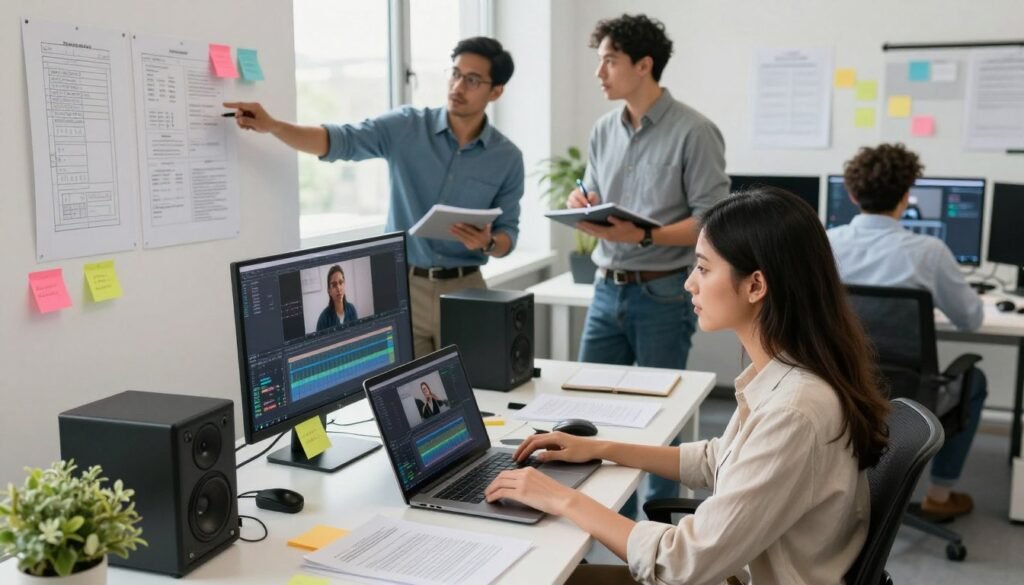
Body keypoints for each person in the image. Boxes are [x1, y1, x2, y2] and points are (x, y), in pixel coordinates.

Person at [485, 188, 890, 585]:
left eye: (703, 268)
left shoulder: (795, 410)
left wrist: (561, 498)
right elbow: (720, 460)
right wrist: (601, 448)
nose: (689, 284)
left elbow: (682, 563)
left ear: (755, 286)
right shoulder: (790, 376)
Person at [224, 37, 524, 357]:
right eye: (455, 73)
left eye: (473, 79)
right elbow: (337, 141)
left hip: (466, 291)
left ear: (496, 91)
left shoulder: (507, 157)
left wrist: (488, 243)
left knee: (477, 390)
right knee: (406, 394)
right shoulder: (406, 126)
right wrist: (273, 126)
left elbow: (508, 234)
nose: (458, 86)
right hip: (404, 287)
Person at [568, 13, 729, 517]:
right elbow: (595, 191)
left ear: (644, 65)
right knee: (585, 407)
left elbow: (712, 220)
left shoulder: (695, 131)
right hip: (605, 288)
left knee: (661, 417)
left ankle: (658, 528)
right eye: (599, 62)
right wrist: (581, 201)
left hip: (662, 292)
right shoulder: (601, 130)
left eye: (609, 62)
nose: (600, 73)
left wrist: (643, 233)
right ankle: (592, 516)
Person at [827, 143, 987, 520]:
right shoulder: (929, 252)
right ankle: (939, 495)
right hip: (909, 393)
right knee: (973, 379)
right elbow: (971, 320)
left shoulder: (825, 244)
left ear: (851, 194)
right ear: (905, 196)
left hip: (839, 384)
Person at [316, 265, 357, 331]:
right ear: (329, 291)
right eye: (334, 285)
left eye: (341, 282)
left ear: (344, 285)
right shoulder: (323, 319)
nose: (338, 288)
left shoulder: (352, 310)